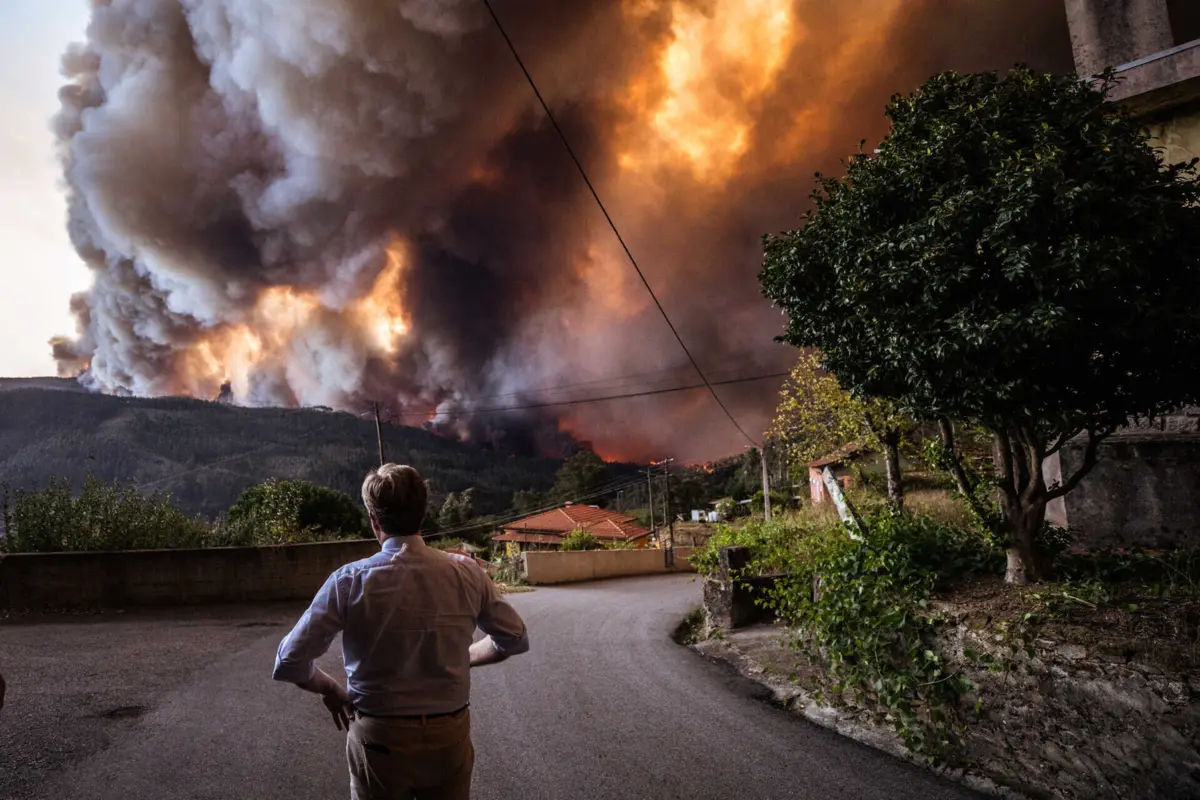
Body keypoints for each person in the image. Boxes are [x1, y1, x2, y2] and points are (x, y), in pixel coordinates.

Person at [273, 464, 530, 799]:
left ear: (373, 520)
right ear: (422, 515)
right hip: (448, 737)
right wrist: (462, 657)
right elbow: (514, 638)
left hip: (379, 739)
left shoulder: (349, 581)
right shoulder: (467, 573)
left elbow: (290, 660)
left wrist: (332, 689)